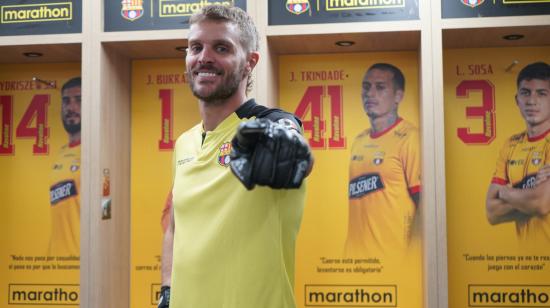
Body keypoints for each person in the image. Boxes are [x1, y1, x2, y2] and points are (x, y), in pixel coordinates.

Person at [157, 5, 313, 308]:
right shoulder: (184, 143)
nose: (204, 57)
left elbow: (291, 142)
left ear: (249, 62)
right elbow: (175, 227)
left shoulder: (265, 127)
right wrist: (167, 290)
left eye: (221, 48)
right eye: (195, 47)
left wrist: (289, 146)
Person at [344, 63, 421, 257]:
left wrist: (413, 256)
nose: (370, 93)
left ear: (398, 96)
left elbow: (425, 206)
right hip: (354, 263)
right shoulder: (359, 140)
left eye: (380, 87)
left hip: (392, 260)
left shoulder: (411, 138)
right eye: (366, 86)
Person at [485, 61, 550, 246]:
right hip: (524, 259)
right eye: (525, 93)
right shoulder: (510, 144)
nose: (531, 101)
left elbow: (541, 203)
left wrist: (505, 193)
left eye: (542, 93)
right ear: (517, 100)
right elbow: (491, 212)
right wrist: (531, 199)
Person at [48, 77, 81, 256]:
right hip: (55, 262)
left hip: (82, 258)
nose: (71, 107)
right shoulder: (58, 154)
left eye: (79, 100)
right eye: (66, 101)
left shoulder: (96, 153)